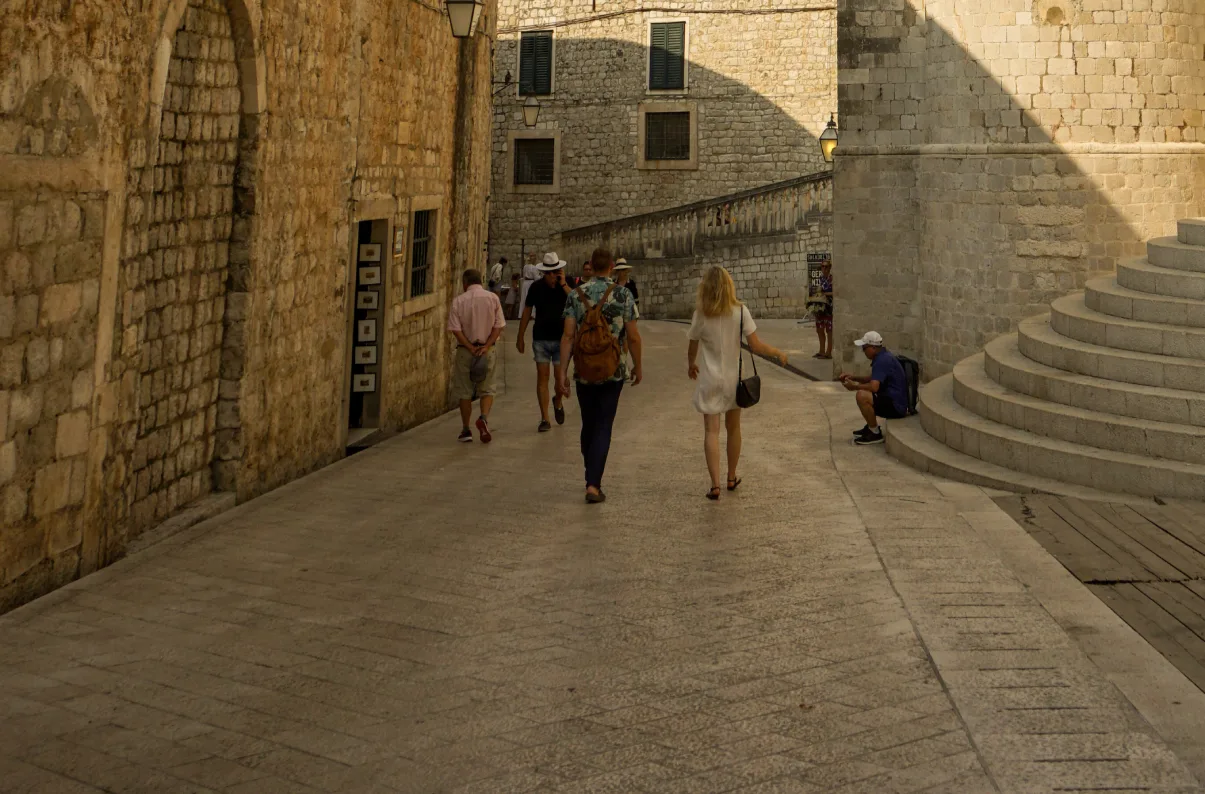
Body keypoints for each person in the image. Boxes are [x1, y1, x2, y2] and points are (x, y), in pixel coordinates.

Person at [688, 267, 788, 500]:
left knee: (710, 432)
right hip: (734, 379)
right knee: (733, 429)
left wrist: (691, 363)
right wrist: (777, 353)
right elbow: (756, 345)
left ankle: (715, 485)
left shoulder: (701, 314)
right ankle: (731, 477)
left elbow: (693, 343)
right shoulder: (740, 311)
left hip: (710, 379)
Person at [557, 248, 642, 504]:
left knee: (589, 423)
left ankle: (590, 474)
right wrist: (638, 365)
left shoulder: (575, 295)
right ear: (611, 267)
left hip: (583, 371)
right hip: (612, 370)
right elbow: (633, 335)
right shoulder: (623, 294)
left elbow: (568, 336)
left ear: (591, 266)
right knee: (604, 425)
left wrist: (561, 372)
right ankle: (593, 484)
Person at [447, 269, 506, 444]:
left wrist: (470, 346)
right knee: (487, 388)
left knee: (464, 390)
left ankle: (466, 429)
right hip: (487, 350)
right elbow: (498, 326)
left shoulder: (459, 301)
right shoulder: (493, 298)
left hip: (466, 351)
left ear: (465, 283)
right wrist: (486, 345)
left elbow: (456, 330)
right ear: (480, 281)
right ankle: (483, 418)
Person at [517, 256, 572, 432]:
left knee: (559, 379)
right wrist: (520, 336)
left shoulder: (567, 284)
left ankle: (558, 401)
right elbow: (526, 311)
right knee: (542, 377)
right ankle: (545, 418)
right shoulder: (536, 287)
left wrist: (563, 284)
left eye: (555, 273)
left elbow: (577, 300)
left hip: (561, 339)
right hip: (540, 338)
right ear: (544, 273)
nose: (552, 277)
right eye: (549, 274)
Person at [838, 331, 909, 446]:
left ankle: (875, 432)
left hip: (896, 407)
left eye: (864, 348)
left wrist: (854, 386)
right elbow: (873, 378)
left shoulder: (881, 360)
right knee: (864, 393)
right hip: (893, 401)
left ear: (873, 348)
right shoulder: (883, 356)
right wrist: (854, 377)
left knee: (862, 396)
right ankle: (871, 427)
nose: (863, 351)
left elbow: (874, 387)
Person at [809, 261, 833, 360]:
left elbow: (836, 292)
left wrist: (825, 294)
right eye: (822, 267)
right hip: (820, 306)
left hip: (829, 307)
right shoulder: (821, 279)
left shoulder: (832, 279)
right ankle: (821, 350)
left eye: (826, 267)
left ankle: (828, 352)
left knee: (829, 329)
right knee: (819, 329)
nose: (824, 269)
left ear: (829, 267)